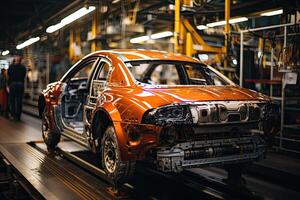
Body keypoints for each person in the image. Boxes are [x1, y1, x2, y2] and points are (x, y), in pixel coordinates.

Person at [8, 56, 26, 121]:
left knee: (12, 101)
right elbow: (24, 75)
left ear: (15, 60)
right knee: (19, 101)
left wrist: (8, 85)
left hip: (12, 85)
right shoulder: (23, 67)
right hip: (20, 85)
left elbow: (9, 76)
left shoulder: (11, 67)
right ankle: (18, 116)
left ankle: (13, 115)